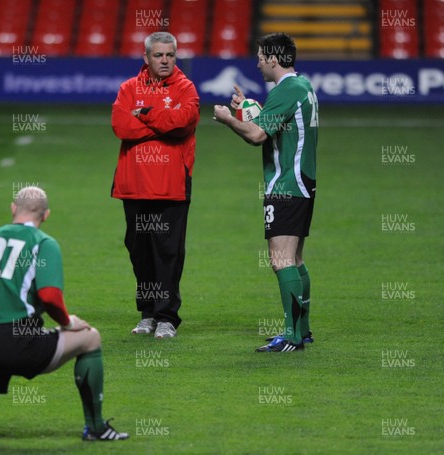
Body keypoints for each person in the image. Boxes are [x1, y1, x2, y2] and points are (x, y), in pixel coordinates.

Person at [0, 187, 128, 453]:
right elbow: (50, 296)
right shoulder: (43, 243)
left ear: (13, 208)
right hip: (21, 340)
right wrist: (67, 322)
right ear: (46, 215)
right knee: (91, 338)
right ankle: (96, 427)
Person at [213, 33, 318, 353]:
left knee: (280, 259)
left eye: (260, 56)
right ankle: (303, 330)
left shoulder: (287, 90)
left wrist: (229, 119)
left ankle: (291, 336)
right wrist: (253, 108)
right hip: (302, 183)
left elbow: (258, 135)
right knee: (295, 259)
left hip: (286, 186)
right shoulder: (301, 86)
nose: (257, 61)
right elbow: (273, 125)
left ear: (273, 59)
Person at [110, 31, 200, 339]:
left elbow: (183, 123)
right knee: (140, 252)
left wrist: (146, 114)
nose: (165, 60)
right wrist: (162, 123)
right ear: (146, 58)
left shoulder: (186, 88)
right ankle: (147, 313)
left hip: (171, 186)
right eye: (158, 55)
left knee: (168, 252)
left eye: (170, 55)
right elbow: (122, 126)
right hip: (133, 186)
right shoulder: (128, 88)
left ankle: (166, 317)